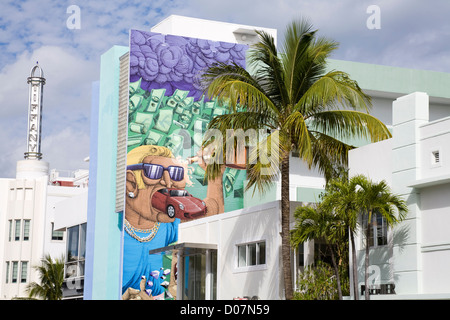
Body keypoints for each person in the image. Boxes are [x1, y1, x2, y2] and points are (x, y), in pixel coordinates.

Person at [122, 145, 224, 299]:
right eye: (154, 172)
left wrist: (214, 174)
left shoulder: (167, 223)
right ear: (131, 183)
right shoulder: (112, 227)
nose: (168, 183)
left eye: (176, 173)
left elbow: (212, 213)